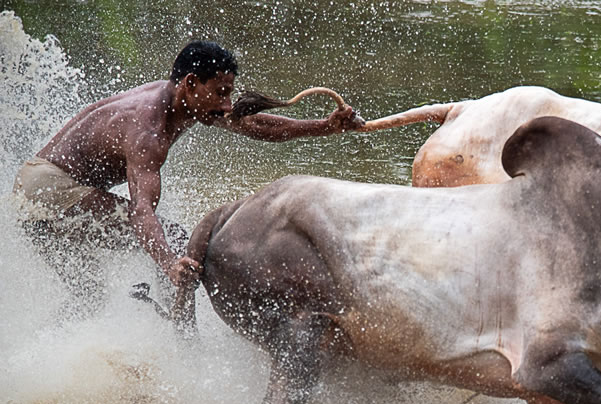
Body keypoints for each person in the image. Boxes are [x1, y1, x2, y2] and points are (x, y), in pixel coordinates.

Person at [13, 40, 363, 317]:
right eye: (221, 92)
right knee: (177, 242)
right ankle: (181, 339)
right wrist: (168, 265)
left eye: (229, 92)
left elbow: (251, 124)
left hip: (34, 186)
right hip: (47, 189)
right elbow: (142, 211)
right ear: (191, 84)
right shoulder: (148, 131)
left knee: (90, 297)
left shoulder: (187, 99)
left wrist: (325, 127)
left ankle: (52, 351)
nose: (228, 105)